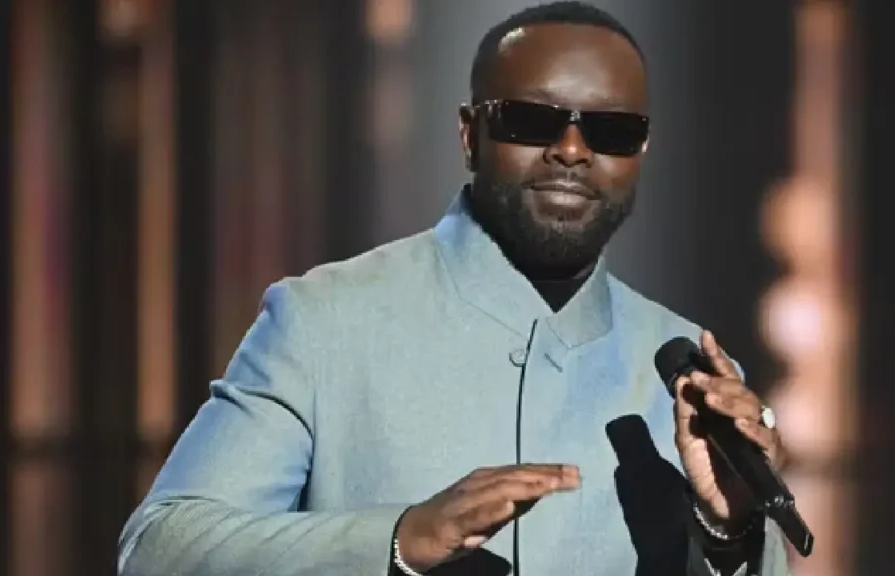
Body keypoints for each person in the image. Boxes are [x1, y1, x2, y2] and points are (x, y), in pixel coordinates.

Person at [118, 2, 792, 575]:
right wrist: (398, 539)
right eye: (532, 120)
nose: (572, 150)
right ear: (471, 136)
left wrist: (729, 532)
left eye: (611, 132)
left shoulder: (683, 371)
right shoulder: (323, 321)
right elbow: (159, 546)